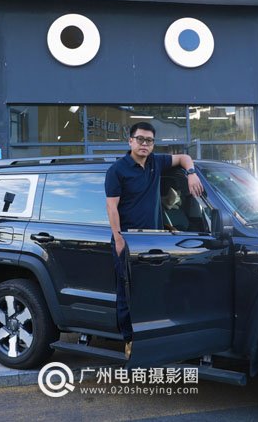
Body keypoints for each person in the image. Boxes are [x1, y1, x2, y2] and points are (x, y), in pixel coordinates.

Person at [104, 122, 204, 357]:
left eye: (149, 140)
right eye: (140, 139)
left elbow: (184, 158)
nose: (144, 144)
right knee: (128, 294)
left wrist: (191, 174)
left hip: (154, 242)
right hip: (129, 241)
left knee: (153, 292)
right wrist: (119, 240)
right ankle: (129, 342)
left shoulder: (155, 163)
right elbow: (112, 207)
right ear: (130, 141)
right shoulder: (117, 170)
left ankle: (152, 340)